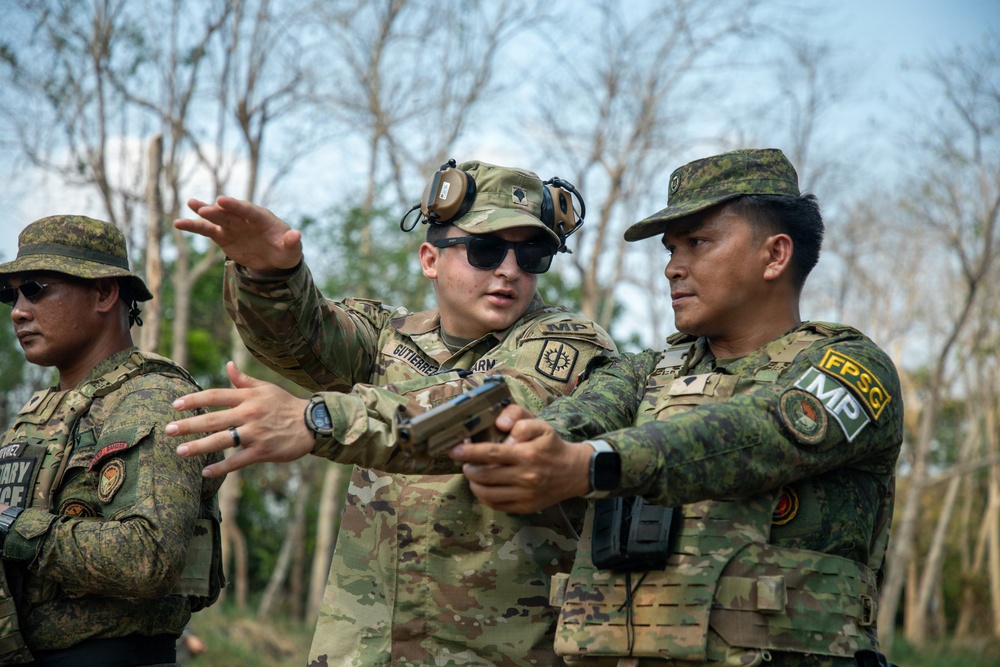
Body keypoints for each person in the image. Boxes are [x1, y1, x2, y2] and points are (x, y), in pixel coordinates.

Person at [450, 148, 904, 667]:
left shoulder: (849, 366)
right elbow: (579, 418)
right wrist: (525, 444)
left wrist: (592, 463)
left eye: (698, 243)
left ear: (775, 255)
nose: (672, 268)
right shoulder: (646, 371)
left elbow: (757, 433)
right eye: (670, 249)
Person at [166, 160, 618, 665]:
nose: (509, 269)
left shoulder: (567, 343)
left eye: (532, 254)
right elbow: (300, 338)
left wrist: (316, 420)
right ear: (431, 259)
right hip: (363, 651)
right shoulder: (390, 337)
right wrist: (271, 274)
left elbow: (492, 407)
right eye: (486, 249)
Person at [0, 216, 225, 666]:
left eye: (37, 288)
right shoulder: (38, 410)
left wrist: (12, 526)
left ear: (104, 293)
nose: (18, 310)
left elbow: (148, 558)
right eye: (12, 293)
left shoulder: (154, 398)